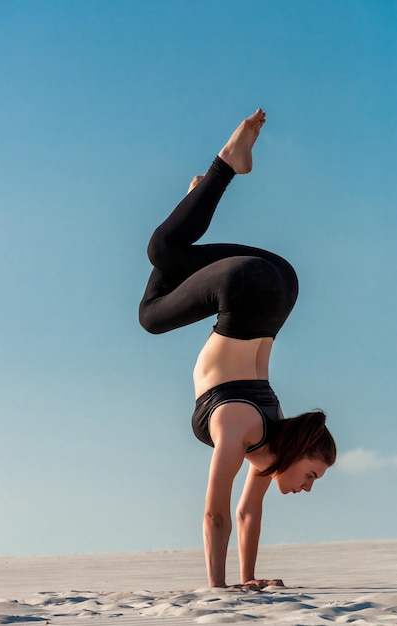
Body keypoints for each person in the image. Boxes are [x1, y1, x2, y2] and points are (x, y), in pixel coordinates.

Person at [139, 108, 336, 590]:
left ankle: (199, 195)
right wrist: (218, 589)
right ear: (298, 453)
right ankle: (225, 166)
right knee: (153, 296)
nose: (308, 488)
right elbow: (215, 514)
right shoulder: (242, 426)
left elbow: (247, 513)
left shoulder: (269, 443)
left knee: (170, 252)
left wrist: (249, 580)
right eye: (312, 475)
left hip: (282, 282)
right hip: (247, 288)